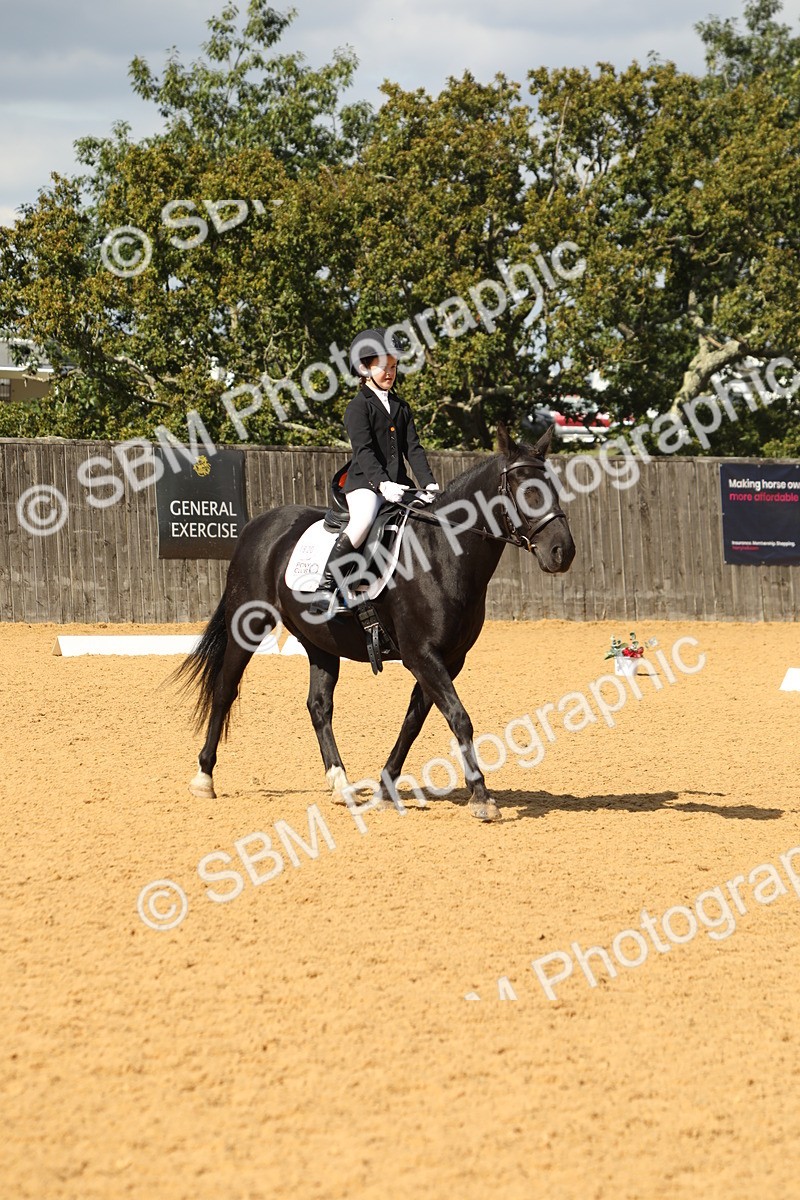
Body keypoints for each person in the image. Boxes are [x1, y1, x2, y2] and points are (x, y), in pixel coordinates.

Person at [309, 327, 440, 611]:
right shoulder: (358, 407)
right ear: (365, 368)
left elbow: (413, 449)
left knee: (425, 521)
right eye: (383, 367)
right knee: (362, 523)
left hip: (399, 485)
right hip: (364, 485)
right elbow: (364, 451)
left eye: (393, 366)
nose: (390, 373)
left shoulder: (401, 407)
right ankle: (327, 586)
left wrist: (428, 483)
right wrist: (382, 484)